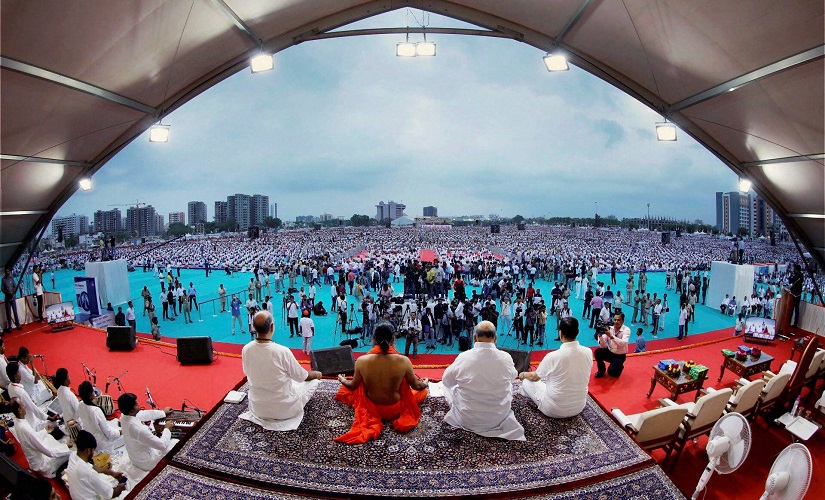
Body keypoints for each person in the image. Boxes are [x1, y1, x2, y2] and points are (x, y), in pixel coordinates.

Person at [335, 321, 429, 444]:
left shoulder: (362, 361)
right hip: (395, 409)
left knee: (345, 390)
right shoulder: (404, 361)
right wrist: (425, 382)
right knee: (422, 392)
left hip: (371, 408)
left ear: (373, 339)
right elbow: (417, 386)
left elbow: (353, 386)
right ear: (393, 339)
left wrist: (342, 379)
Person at [439, 321, 525, 440]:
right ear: (495, 338)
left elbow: (446, 381)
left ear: (475, 338)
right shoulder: (506, 357)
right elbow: (512, 377)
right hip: (498, 418)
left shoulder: (463, 357)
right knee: (509, 385)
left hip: (466, 419)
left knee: (448, 387)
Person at [240, 311, 322, 431]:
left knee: (290, 380)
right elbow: (302, 377)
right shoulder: (282, 351)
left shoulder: (246, 349)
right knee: (313, 381)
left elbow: (247, 372)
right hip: (284, 410)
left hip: (258, 408)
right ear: (272, 327)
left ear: (253, 327)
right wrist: (317, 374)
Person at [519, 317, 592, 418]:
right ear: (578, 332)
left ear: (560, 334)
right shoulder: (588, 352)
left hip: (553, 410)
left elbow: (534, 377)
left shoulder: (553, 356)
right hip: (579, 407)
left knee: (527, 382)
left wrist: (523, 374)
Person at [9, 398, 71, 478]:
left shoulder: (17, 422)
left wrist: (45, 431)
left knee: (48, 437)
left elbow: (32, 438)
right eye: (23, 405)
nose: (25, 406)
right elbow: (50, 453)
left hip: (35, 459)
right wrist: (66, 446)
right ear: (19, 410)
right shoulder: (25, 429)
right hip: (43, 465)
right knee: (71, 452)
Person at [118, 393, 176, 476]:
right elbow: (162, 445)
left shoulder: (124, 416)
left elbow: (143, 414)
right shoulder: (139, 429)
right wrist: (167, 429)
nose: (138, 404)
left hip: (135, 457)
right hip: (147, 462)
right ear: (131, 411)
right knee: (176, 442)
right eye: (136, 404)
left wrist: (163, 412)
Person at [67, 430, 127, 499]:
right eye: (93, 451)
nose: (93, 454)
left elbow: (93, 467)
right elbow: (112, 494)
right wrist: (121, 487)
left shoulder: (73, 455)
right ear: (89, 450)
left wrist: (112, 473)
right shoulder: (89, 473)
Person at [7, 362, 60, 430]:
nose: (20, 374)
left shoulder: (10, 387)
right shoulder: (21, 393)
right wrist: (50, 418)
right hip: (31, 421)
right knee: (55, 423)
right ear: (15, 375)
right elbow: (34, 408)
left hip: (24, 417)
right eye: (19, 372)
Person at [77, 381, 123, 452]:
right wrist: (120, 432)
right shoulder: (95, 410)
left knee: (113, 423)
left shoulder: (80, 405)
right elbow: (108, 433)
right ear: (90, 395)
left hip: (90, 439)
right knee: (123, 430)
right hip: (101, 443)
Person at [594, 312, 631, 378]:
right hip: (610, 352)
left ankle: (619, 366)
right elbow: (602, 346)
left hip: (620, 355)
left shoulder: (626, 330)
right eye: (615, 320)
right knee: (598, 352)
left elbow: (623, 344)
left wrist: (611, 336)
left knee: (612, 373)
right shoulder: (609, 328)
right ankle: (601, 370)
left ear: (622, 321)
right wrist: (600, 335)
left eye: (618, 320)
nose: (616, 322)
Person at [3, 268, 23, 333]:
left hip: (13, 298)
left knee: (15, 312)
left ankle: (18, 325)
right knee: (8, 313)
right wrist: (8, 293)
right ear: (5, 272)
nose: (7, 272)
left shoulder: (11, 278)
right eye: (6, 271)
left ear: (9, 272)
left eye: (8, 271)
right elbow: (2, 289)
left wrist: (13, 292)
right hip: (7, 299)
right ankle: (10, 327)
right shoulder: (3, 279)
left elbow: (15, 286)